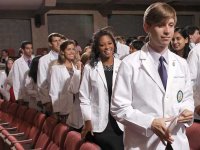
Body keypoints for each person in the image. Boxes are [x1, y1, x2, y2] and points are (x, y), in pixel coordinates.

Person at [111, 2, 194, 150]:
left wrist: (187, 110)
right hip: (145, 144)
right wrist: (149, 123)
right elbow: (119, 108)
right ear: (147, 27)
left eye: (171, 24)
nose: (167, 31)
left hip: (177, 142)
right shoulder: (130, 64)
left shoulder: (181, 63)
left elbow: (187, 97)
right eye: (161, 25)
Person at [79, 29, 124, 150]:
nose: (107, 47)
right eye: (102, 44)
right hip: (99, 124)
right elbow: (84, 97)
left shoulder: (124, 66)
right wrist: (87, 121)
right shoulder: (90, 68)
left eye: (109, 43)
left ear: (114, 44)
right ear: (97, 48)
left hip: (121, 124)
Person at [49, 40, 83, 130]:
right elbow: (54, 91)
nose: (72, 51)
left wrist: (79, 69)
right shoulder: (56, 68)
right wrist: (55, 111)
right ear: (63, 52)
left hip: (77, 108)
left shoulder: (77, 67)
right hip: (64, 109)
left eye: (73, 49)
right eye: (68, 49)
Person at [37, 33, 63, 115]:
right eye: (55, 41)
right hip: (53, 99)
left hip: (67, 98)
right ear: (50, 44)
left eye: (60, 40)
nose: (58, 43)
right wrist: (47, 101)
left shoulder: (67, 57)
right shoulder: (44, 60)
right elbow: (42, 82)